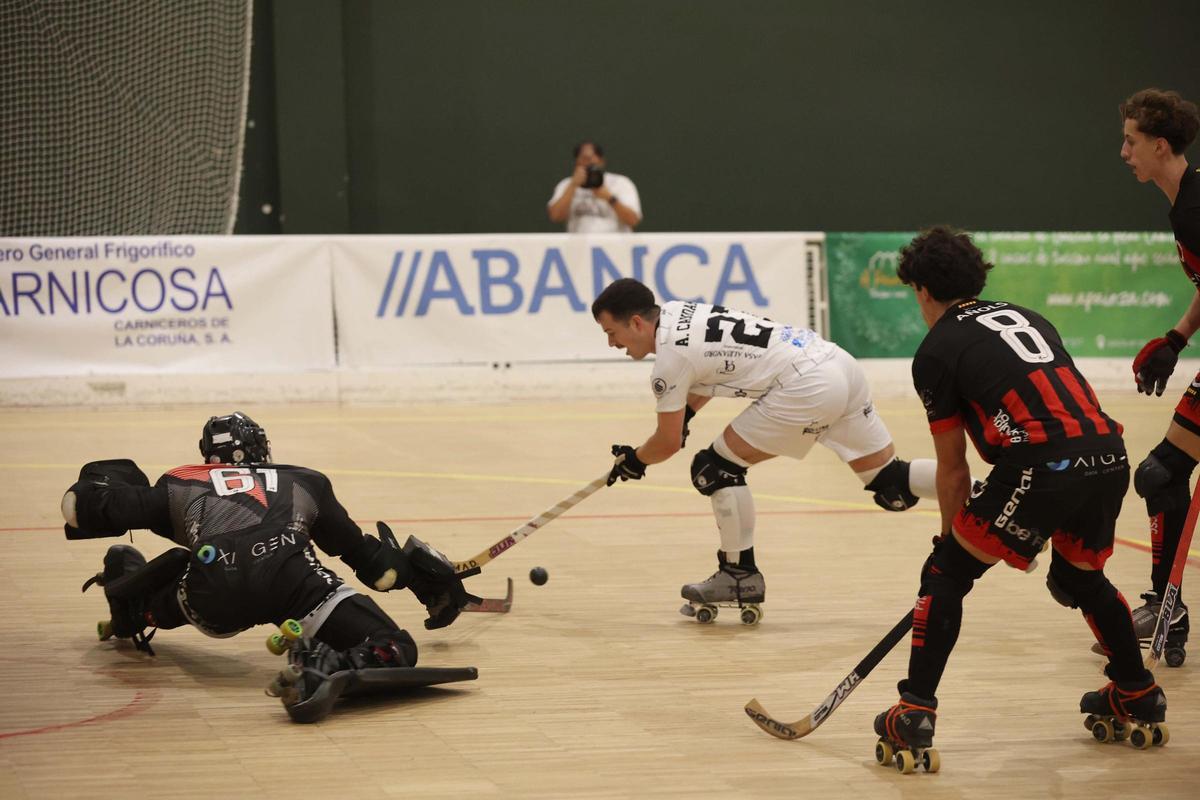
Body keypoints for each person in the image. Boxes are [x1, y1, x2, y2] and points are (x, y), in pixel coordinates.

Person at [873, 226, 1165, 771]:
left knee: (944, 576)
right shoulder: (1029, 316)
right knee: (1080, 580)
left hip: (1041, 463)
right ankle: (1136, 690)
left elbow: (954, 469)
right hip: (1108, 456)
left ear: (923, 290)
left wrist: (948, 540)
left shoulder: (934, 351)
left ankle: (913, 710)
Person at [60, 411, 479, 723]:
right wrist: (421, 578)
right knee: (394, 646)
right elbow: (375, 567)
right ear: (263, 450)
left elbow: (83, 508)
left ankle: (137, 608)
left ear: (209, 457)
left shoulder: (180, 482)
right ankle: (324, 665)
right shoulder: (306, 481)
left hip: (212, 588)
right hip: (293, 580)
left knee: (182, 584)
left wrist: (102, 480)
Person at [591, 277, 941, 623]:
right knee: (889, 479)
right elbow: (711, 371)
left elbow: (667, 443)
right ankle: (980, 495)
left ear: (636, 323)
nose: (611, 344)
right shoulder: (680, 312)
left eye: (612, 333)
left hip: (806, 385)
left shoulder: (668, 362)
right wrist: (687, 414)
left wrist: (634, 460)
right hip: (837, 364)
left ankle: (738, 576)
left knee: (715, 467)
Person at [1116, 87, 1200, 665]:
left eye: (1131, 141)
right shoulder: (1186, 204)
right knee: (1160, 473)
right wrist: (1177, 337)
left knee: (1159, 472)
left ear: (1160, 145)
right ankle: (1167, 607)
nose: (1124, 152)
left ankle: (1167, 608)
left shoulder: (1195, 209)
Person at [547, 140, 642, 233]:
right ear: (577, 162)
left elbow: (633, 220)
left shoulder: (621, 183)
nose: (588, 165)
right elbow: (555, 216)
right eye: (584, 159)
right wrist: (573, 186)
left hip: (614, 246)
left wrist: (609, 198)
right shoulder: (567, 184)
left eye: (591, 160)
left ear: (601, 161)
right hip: (578, 246)